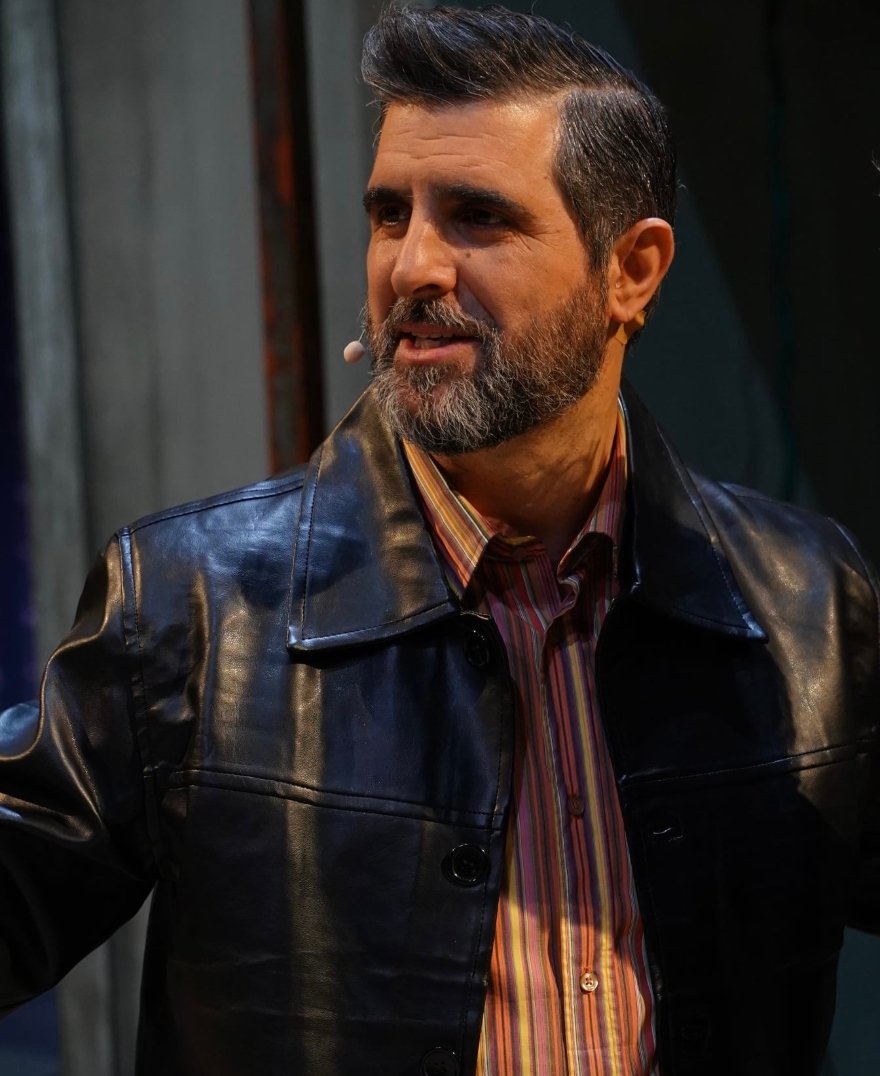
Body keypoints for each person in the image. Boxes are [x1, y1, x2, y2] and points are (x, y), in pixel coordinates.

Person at [1, 6, 877, 1075]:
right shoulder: (191, 607)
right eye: (389, 214)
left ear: (632, 271)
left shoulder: (804, 600)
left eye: (476, 217)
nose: (412, 265)